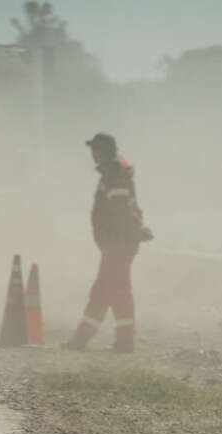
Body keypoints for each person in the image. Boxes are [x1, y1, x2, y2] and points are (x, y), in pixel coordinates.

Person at [64, 133, 151, 352]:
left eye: (95, 150)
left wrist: (135, 231)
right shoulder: (114, 172)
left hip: (118, 243)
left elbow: (121, 209)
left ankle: (115, 343)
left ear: (103, 152)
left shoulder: (115, 174)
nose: (93, 155)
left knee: (113, 291)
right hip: (117, 242)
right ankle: (86, 341)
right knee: (106, 291)